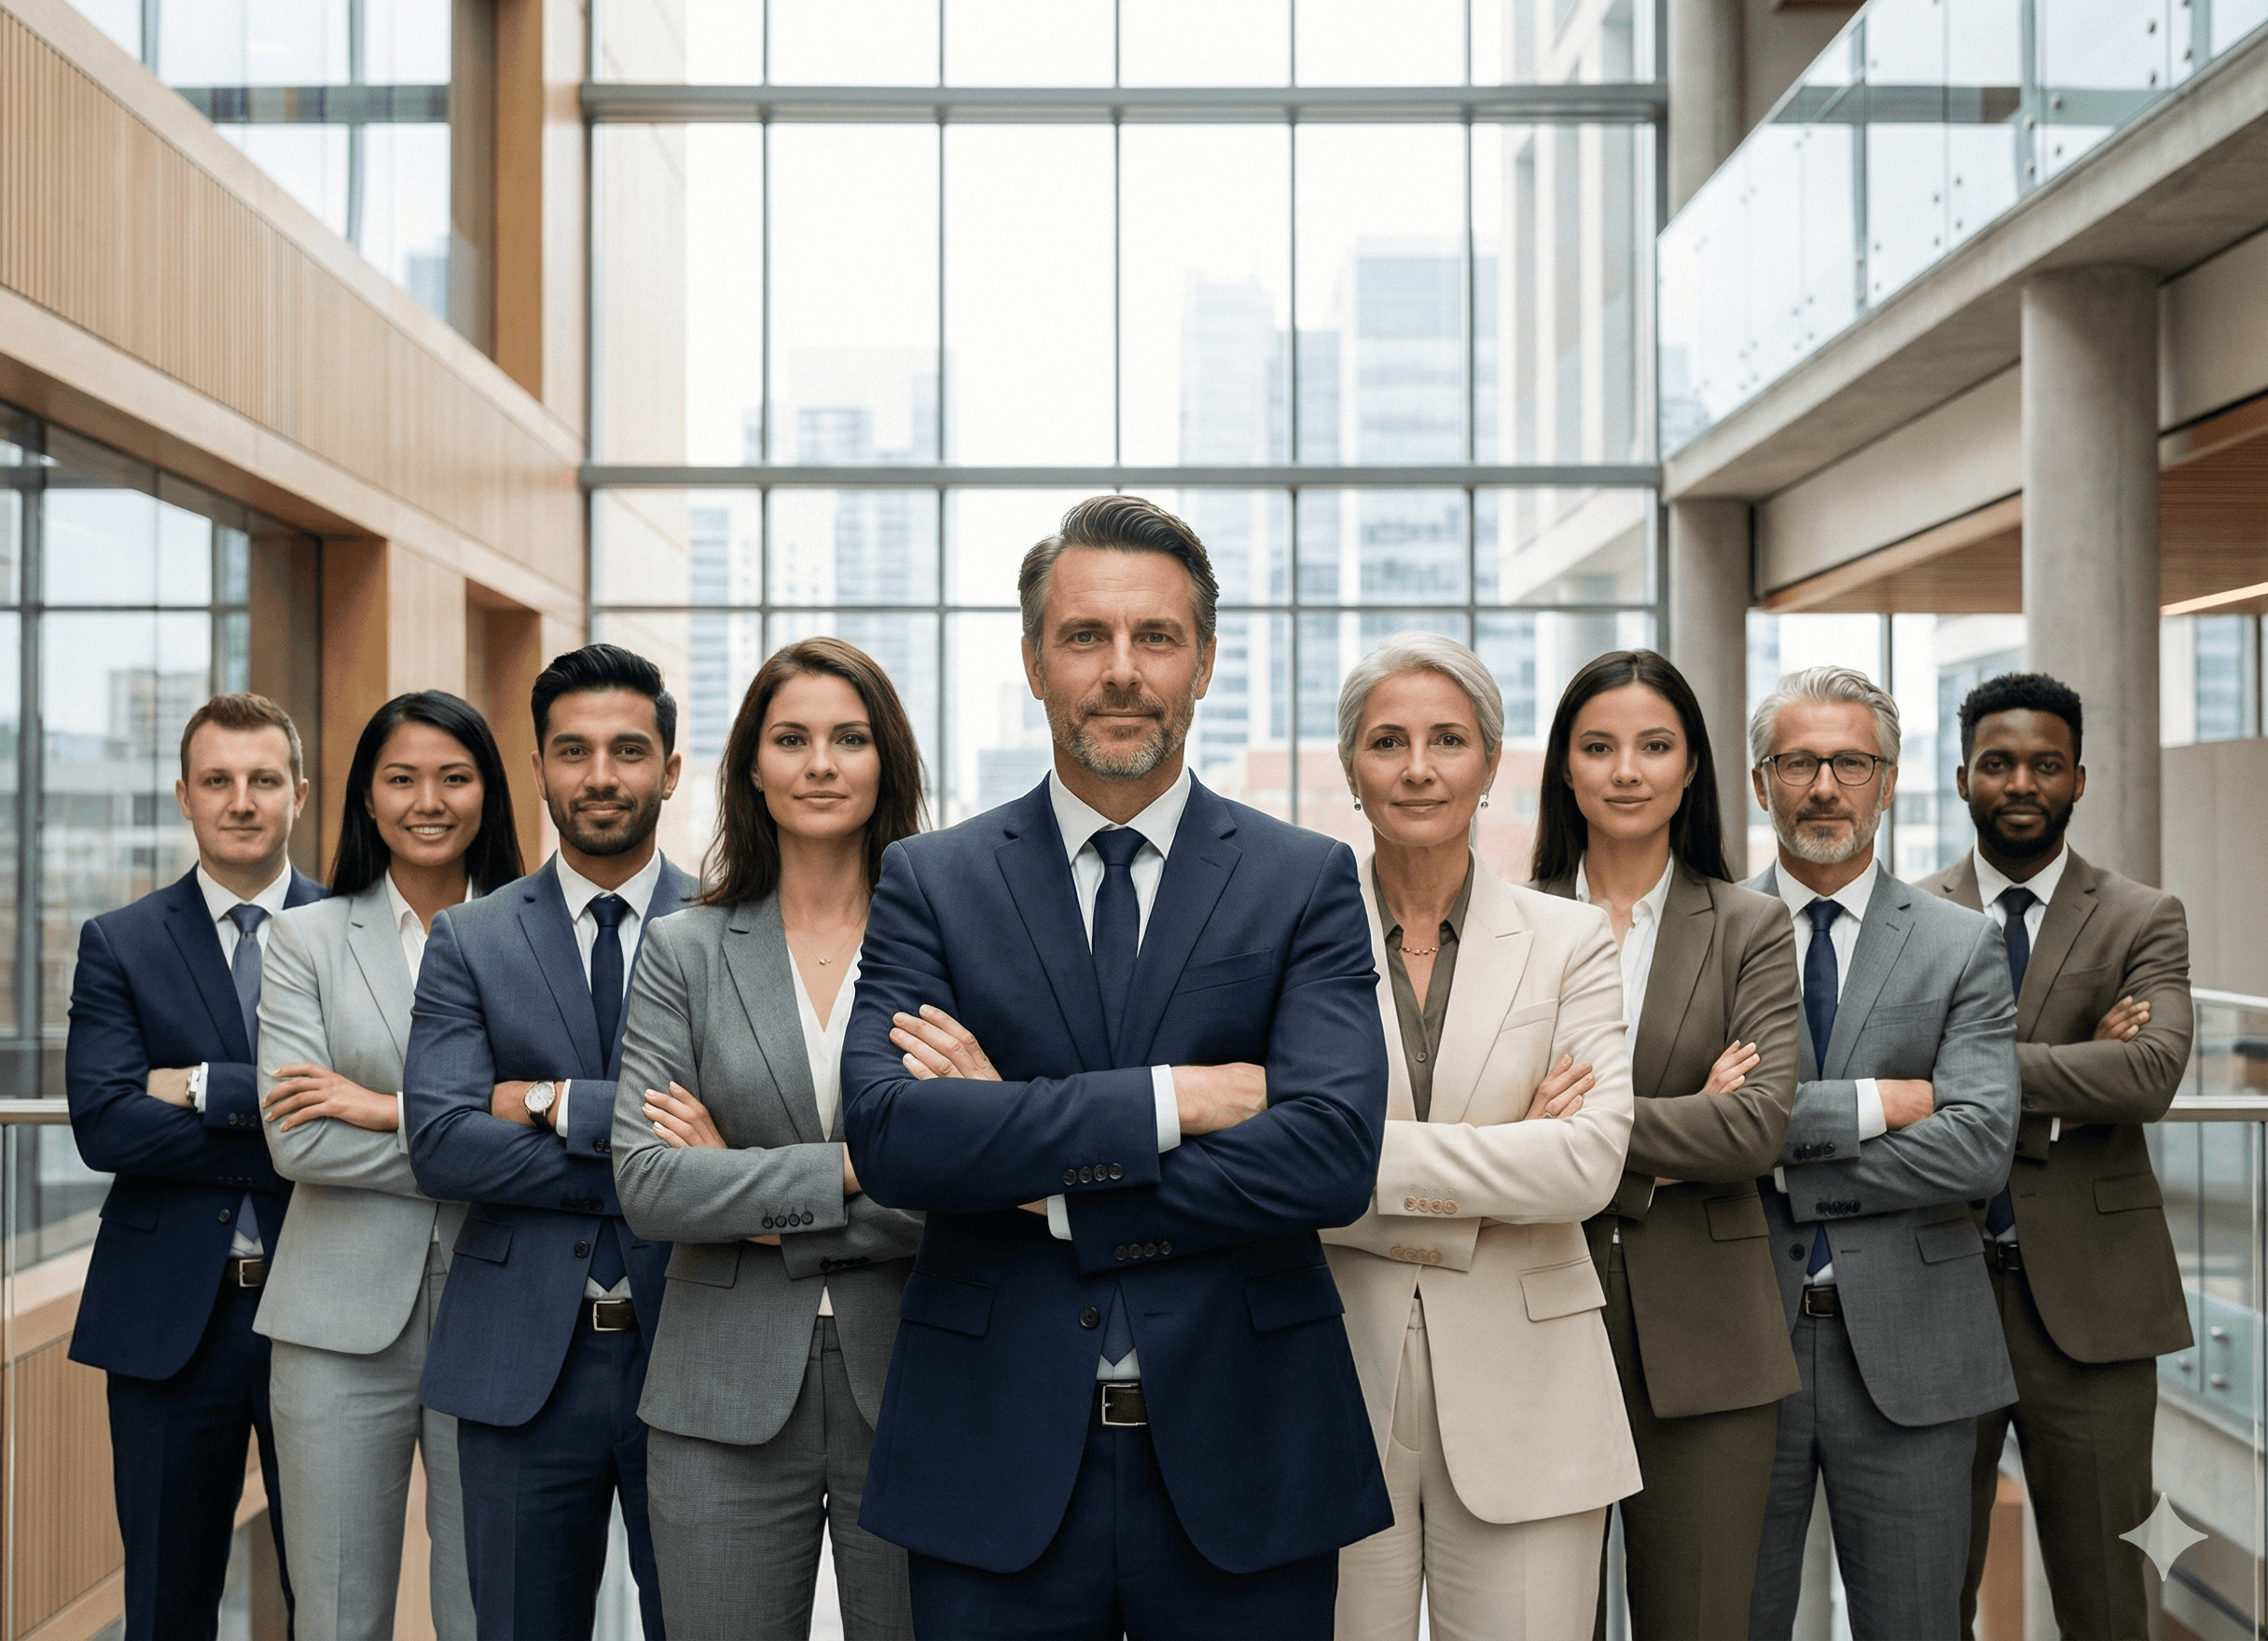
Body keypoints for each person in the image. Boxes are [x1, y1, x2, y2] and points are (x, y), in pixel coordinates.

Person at [839, 494, 1391, 1639]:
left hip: (1250, 1451)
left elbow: (1329, 1158)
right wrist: (1169, 1100)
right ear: (1035, 659)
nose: (1122, 670)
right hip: (989, 1458)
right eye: (1085, 636)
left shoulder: (1303, 879)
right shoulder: (930, 880)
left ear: (1203, 660)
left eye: (1156, 637)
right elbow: (893, 1137)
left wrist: (1034, 1167)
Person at [1318, 632, 1639, 1640]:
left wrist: (1342, 1162)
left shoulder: (1569, 938)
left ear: (1490, 764)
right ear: (1350, 767)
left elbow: (1587, 1161)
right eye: (1387, 740)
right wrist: (1507, 1155)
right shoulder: (1285, 935)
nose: (1417, 767)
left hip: (1533, 1394)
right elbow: (1258, 1165)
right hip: (1324, 1382)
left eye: (1447, 739)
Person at [612, 638, 928, 1641]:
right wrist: (856, 1165)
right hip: (717, 1397)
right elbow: (651, 1185)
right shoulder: (684, 948)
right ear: (753, 763)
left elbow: (967, 1182)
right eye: (791, 738)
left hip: (925, 1382)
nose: (821, 763)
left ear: (888, 763)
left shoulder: (951, 940)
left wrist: (747, 1193)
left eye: (849, 737)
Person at [405, 644, 696, 1640]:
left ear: (670, 766)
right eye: (573, 751)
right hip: (515, 1368)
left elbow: (751, 1133)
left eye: (627, 749)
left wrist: (547, 1103)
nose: (601, 775)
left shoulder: (731, 927)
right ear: (537, 768)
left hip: (695, 1356)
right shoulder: (470, 937)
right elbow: (440, 1142)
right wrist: (658, 1155)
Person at [1528, 650, 1804, 1641]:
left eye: (1654, 746)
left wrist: (1571, 1129)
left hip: (1710, 1346)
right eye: (1597, 746)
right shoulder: (1505, 919)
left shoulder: (1749, 925)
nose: (1626, 770)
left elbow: (1757, 1125)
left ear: (1691, 768)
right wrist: (1677, 1117)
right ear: (1565, 766)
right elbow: (1469, 1121)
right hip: (1532, 1320)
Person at [1742, 666, 2020, 1641]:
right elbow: (1677, 1119)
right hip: (1733, 1346)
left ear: (1888, 777)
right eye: (1797, 761)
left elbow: (1979, 1145)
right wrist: (1873, 1107)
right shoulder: (1707, 936)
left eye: (1849, 761)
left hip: (1914, 1354)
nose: (1824, 785)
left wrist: (1773, 1152)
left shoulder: (1958, 942)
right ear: (1757, 779)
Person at [1914, 674, 2193, 1641]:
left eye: (2043, 763)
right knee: (1921, 1595)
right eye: (1997, 763)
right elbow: (1873, 1081)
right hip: (1931, 1292)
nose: (2019, 781)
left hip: (2096, 1310)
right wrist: (2078, 1066)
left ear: (2078, 778)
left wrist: (1960, 1068)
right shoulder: (1906, 916)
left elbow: (2149, 1073)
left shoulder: (2141, 915)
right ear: (1961, 778)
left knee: (2109, 1597)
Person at [254, 692, 526, 1641]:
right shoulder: (304, 939)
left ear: (488, 794)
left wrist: (383, 1108)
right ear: (366, 799)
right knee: (335, 1610)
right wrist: (476, 1138)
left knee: (488, 1607)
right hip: (333, 1325)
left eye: (455, 776)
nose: (428, 799)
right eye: (401, 777)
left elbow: (565, 1132)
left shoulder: (529, 940)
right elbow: (298, 1139)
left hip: (502, 1317)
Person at [66, 692, 323, 1640]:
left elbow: (372, 1120)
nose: (241, 800)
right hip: (167, 1318)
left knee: (332, 1600)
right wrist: (292, 1114)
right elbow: (105, 1126)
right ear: (184, 794)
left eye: (262, 780)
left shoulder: (360, 932)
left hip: (329, 1310)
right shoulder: (120, 941)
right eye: (218, 779)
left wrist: (206, 1087)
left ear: (298, 793)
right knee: (168, 1605)